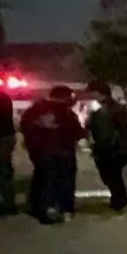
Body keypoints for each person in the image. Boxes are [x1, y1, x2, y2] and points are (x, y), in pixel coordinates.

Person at [20, 85, 86, 224]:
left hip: (40, 153)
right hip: (62, 152)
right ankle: (61, 208)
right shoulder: (66, 113)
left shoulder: (33, 111)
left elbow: (24, 128)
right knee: (62, 181)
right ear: (65, 97)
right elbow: (78, 132)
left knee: (42, 180)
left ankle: (40, 208)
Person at [86, 80, 127, 213]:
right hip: (118, 148)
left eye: (92, 92)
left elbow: (103, 133)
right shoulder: (116, 107)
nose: (90, 95)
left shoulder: (104, 110)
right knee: (114, 176)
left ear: (99, 93)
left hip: (109, 149)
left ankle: (119, 201)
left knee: (111, 176)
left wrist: (99, 149)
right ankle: (119, 199)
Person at [0, 88, 15, 215]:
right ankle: (8, 203)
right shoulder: (3, 97)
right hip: (5, 136)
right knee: (3, 168)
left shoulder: (1, 98)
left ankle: (8, 204)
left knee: (2, 169)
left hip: (2, 137)